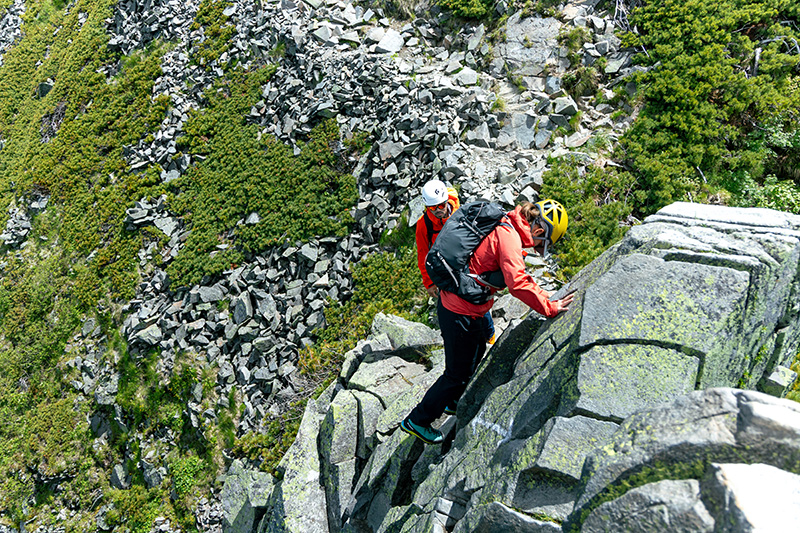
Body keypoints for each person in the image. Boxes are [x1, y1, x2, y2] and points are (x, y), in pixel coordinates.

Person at [401, 199, 575, 445]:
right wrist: (549, 308)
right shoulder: (510, 238)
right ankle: (418, 420)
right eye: (541, 243)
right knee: (456, 373)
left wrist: (544, 295)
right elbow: (516, 283)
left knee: (478, 348)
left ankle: (452, 400)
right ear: (538, 231)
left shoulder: (508, 224)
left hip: (465, 307)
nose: (538, 248)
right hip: (458, 311)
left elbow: (518, 275)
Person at [416, 180, 495, 343]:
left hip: (468, 263)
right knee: (453, 306)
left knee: (476, 298)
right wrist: (429, 282)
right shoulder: (423, 225)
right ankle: (466, 340)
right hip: (445, 269)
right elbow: (422, 253)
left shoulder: (461, 212)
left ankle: (490, 335)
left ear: (446, 201)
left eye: (441, 205)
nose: (438, 210)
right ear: (426, 206)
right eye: (433, 208)